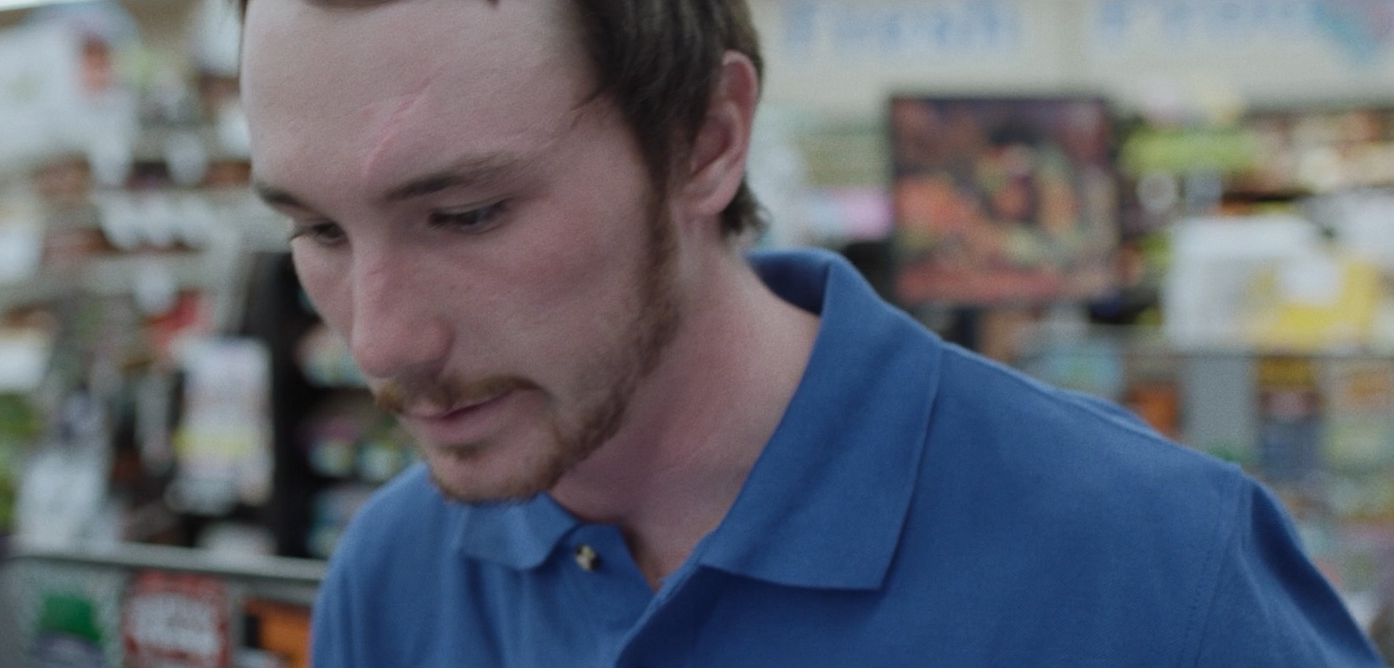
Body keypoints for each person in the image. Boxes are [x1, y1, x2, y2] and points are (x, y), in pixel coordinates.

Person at [237, 1, 1387, 666]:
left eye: (468, 213)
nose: (379, 343)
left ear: (704, 138)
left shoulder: (1154, 564)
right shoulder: (395, 577)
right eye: (316, 230)